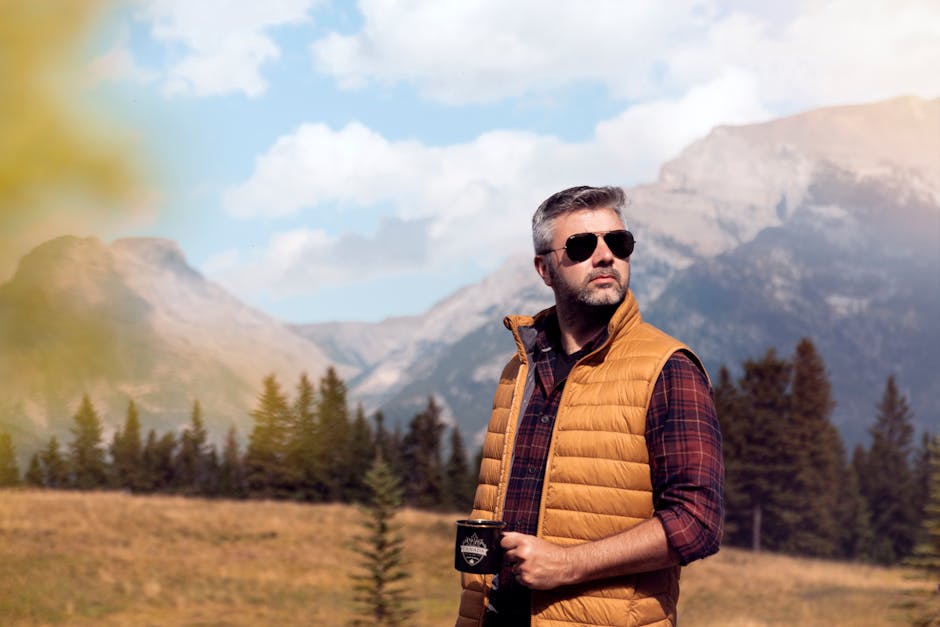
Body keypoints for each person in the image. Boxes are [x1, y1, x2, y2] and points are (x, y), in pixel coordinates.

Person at [455, 185, 724, 627]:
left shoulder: (668, 368)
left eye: (618, 243)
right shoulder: (518, 369)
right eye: (581, 246)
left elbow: (697, 523)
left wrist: (568, 565)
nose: (604, 256)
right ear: (544, 268)